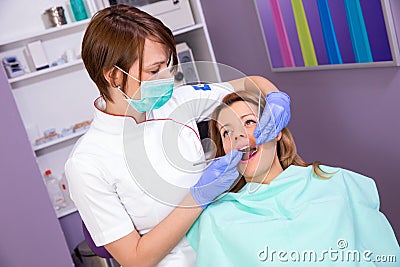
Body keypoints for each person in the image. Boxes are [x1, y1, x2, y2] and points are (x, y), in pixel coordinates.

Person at [65, 4, 291, 267]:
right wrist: (197, 198)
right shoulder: (87, 163)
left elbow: (255, 84)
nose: (168, 78)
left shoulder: (176, 102)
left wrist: (276, 99)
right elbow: (136, 259)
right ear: (114, 75)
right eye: (154, 70)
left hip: (232, 251)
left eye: (167, 65)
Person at [187, 91, 400, 266]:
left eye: (249, 122)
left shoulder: (338, 183)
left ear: (276, 130)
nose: (238, 136)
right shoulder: (219, 218)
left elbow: (384, 255)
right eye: (226, 132)